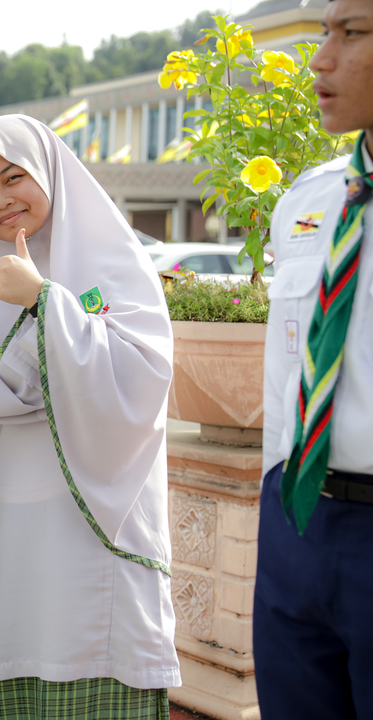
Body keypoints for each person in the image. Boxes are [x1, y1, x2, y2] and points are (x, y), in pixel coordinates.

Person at [0, 114, 180, 718]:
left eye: (13, 178)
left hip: (95, 539)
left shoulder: (113, 265)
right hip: (11, 542)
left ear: (49, 174)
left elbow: (141, 378)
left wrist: (45, 300)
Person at [254, 1, 373, 716]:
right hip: (299, 517)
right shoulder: (311, 200)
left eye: (351, 32)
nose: (320, 58)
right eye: (323, 31)